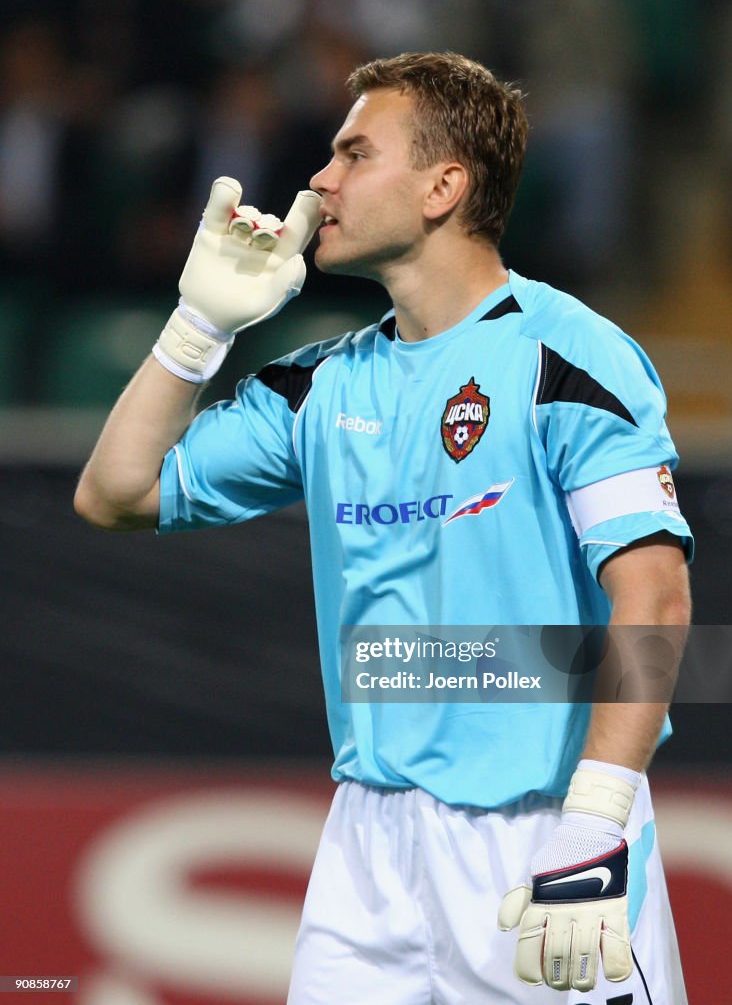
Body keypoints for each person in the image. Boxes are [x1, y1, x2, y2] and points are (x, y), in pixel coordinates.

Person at [74, 51, 693, 1004]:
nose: (319, 182)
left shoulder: (568, 358)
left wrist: (596, 826)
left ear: (444, 185)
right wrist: (200, 322)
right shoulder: (323, 382)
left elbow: (652, 597)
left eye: (354, 153)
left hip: (544, 836)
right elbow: (114, 494)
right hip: (368, 850)